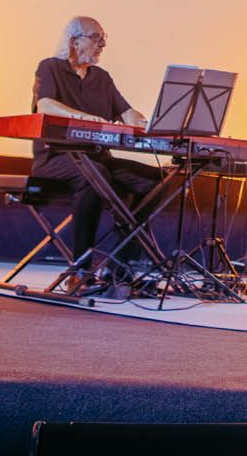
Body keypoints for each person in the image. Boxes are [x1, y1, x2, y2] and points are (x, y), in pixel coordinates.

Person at [31, 16, 164, 277]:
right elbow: (45, 105)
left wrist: (150, 120)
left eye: (104, 39)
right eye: (95, 38)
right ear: (73, 40)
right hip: (56, 159)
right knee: (94, 176)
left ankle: (121, 267)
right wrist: (83, 117)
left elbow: (127, 113)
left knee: (158, 180)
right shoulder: (49, 68)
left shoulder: (102, 78)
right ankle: (80, 269)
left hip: (98, 160)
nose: (102, 44)